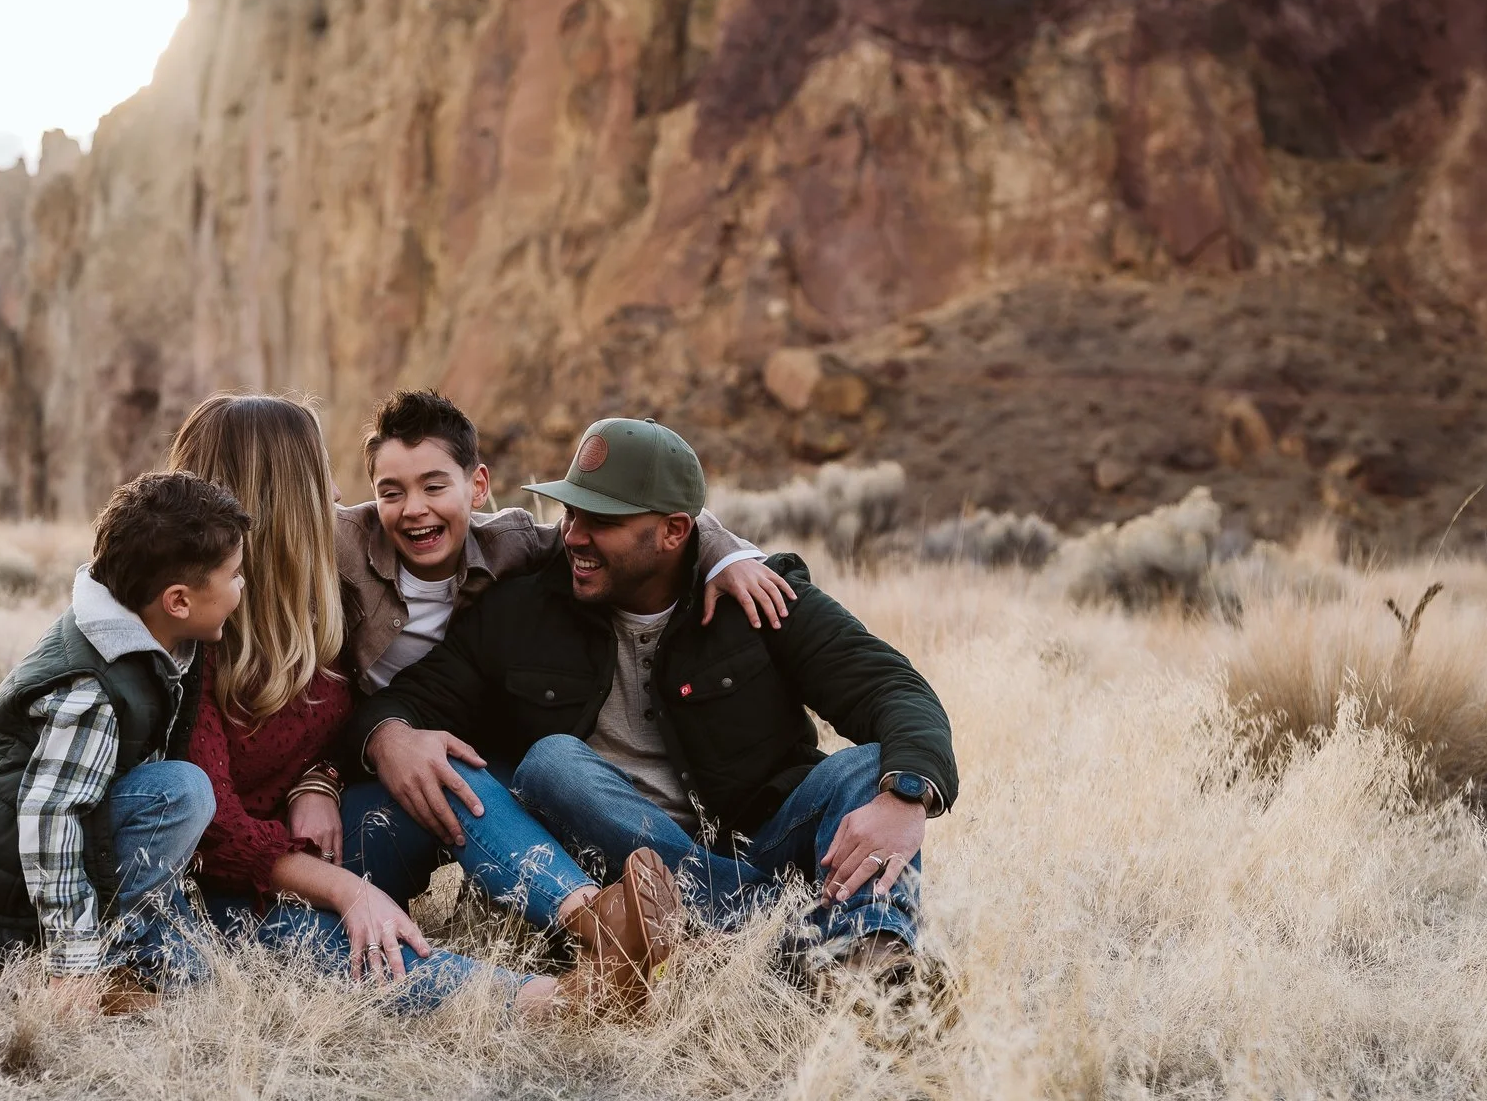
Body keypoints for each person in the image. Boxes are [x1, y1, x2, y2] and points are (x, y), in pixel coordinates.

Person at [351, 416, 960, 982]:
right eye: (571, 514)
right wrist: (389, 734)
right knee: (551, 764)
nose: (575, 537)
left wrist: (907, 793)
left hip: (758, 844)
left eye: (603, 522)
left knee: (868, 763)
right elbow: (411, 699)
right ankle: (771, 936)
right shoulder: (519, 610)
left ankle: (876, 971)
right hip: (617, 880)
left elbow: (893, 688)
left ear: (674, 531)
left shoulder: (761, 597)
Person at [170, 394, 669, 1015]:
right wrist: (350, 892)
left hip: (322, 837)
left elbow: (623, 532)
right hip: (239, 886)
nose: (333, 494)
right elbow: (213, 833)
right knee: (309, 944)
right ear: (281, 494)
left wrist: (317, 781)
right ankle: (563, 1001)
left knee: (441, 761)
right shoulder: (185, 630)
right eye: (318, 475)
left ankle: (599, 922)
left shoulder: (322, 588)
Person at [326, 390, 792, 997]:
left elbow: (642, 526)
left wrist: (724, 552)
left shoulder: (518, 543)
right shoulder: (342, 544)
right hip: (379, 758)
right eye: (391, 491)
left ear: (479, 486)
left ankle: (623, 932)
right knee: (337, 888)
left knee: (522, 770)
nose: (414, 510)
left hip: (488, 769)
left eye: (434, 486)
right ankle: (712, 921)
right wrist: (382, 740)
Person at [0, 469, 249, 1013]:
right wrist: (74, 962)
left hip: (75, 839)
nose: (243, 587)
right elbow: (50, 815)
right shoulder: (95, 688)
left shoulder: (145, 636)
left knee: (198, 981)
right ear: (179, 602)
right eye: (235, 576)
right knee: (182, 792)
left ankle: (59, 942)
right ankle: (11, 946)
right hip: (24, 866)